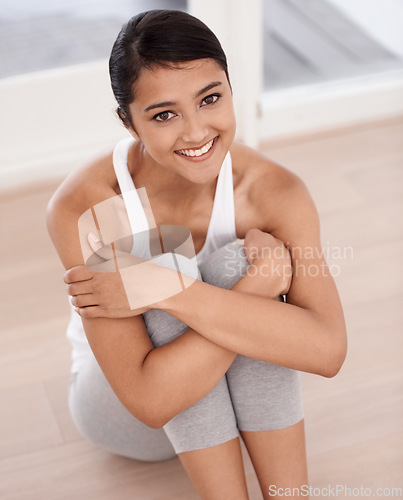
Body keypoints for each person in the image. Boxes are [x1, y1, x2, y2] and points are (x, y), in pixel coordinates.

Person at [46, 9, 347, 500]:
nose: (195, 132)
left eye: (210, 98)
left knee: (221, 270)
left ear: (231, 88)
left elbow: (328, 350)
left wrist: (173, 290)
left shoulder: (273, 192)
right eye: (164, 114)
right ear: (128, 122)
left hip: (225, 389)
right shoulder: (91, 204)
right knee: (173, 262)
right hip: (131, 409)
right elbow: (149, 400)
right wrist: (237, 290)